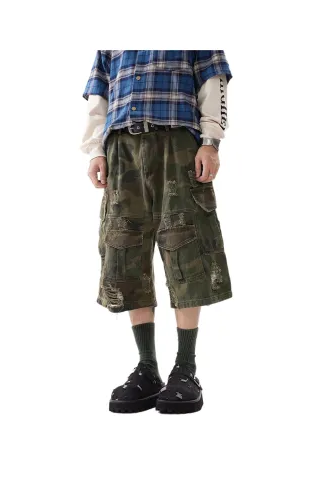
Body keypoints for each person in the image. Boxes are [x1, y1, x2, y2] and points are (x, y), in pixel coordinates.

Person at [81, 50, 233, 414]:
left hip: (177, 142)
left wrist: (210, 141)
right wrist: (95, 149)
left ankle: (186, 368)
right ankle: (147, 367)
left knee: (186, 244)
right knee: (124, 248)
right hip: (121, 148)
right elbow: (100, 93)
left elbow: (213, 81)